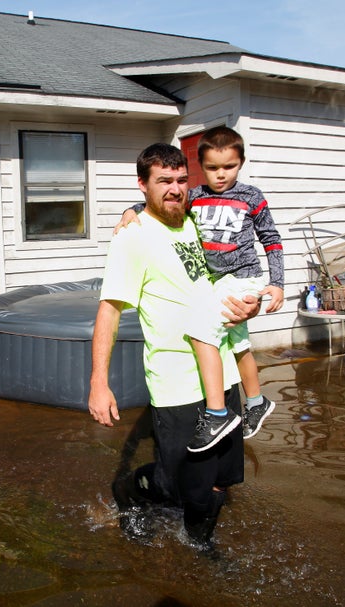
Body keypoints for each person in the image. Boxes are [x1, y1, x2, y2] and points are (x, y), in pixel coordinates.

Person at [88, 143, 260, 549]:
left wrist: (247, 305)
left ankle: (201, 549)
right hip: (177, 383)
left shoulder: (199, 222)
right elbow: (109, 310)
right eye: (164, 181)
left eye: (182, 180)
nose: (175, 189)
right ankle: (131, 490)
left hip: (225, 377)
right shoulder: (133, 238)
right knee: (182, 487)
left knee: (221, 482)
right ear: (143, 185)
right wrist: (99, 381)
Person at [116, 126, 284, 453]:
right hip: (216, 280)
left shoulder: (252, 197)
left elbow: (272, 241)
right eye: (212, 168)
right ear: (201, 167)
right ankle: (256, 401)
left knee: (199, 332)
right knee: (239, 343)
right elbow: (163, 205)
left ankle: (217, 413)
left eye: (229, 167)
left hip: (244, 276)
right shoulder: (196, 196)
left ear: (241, 163)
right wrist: (130, 210)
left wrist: (276, 283)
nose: (221, 175)